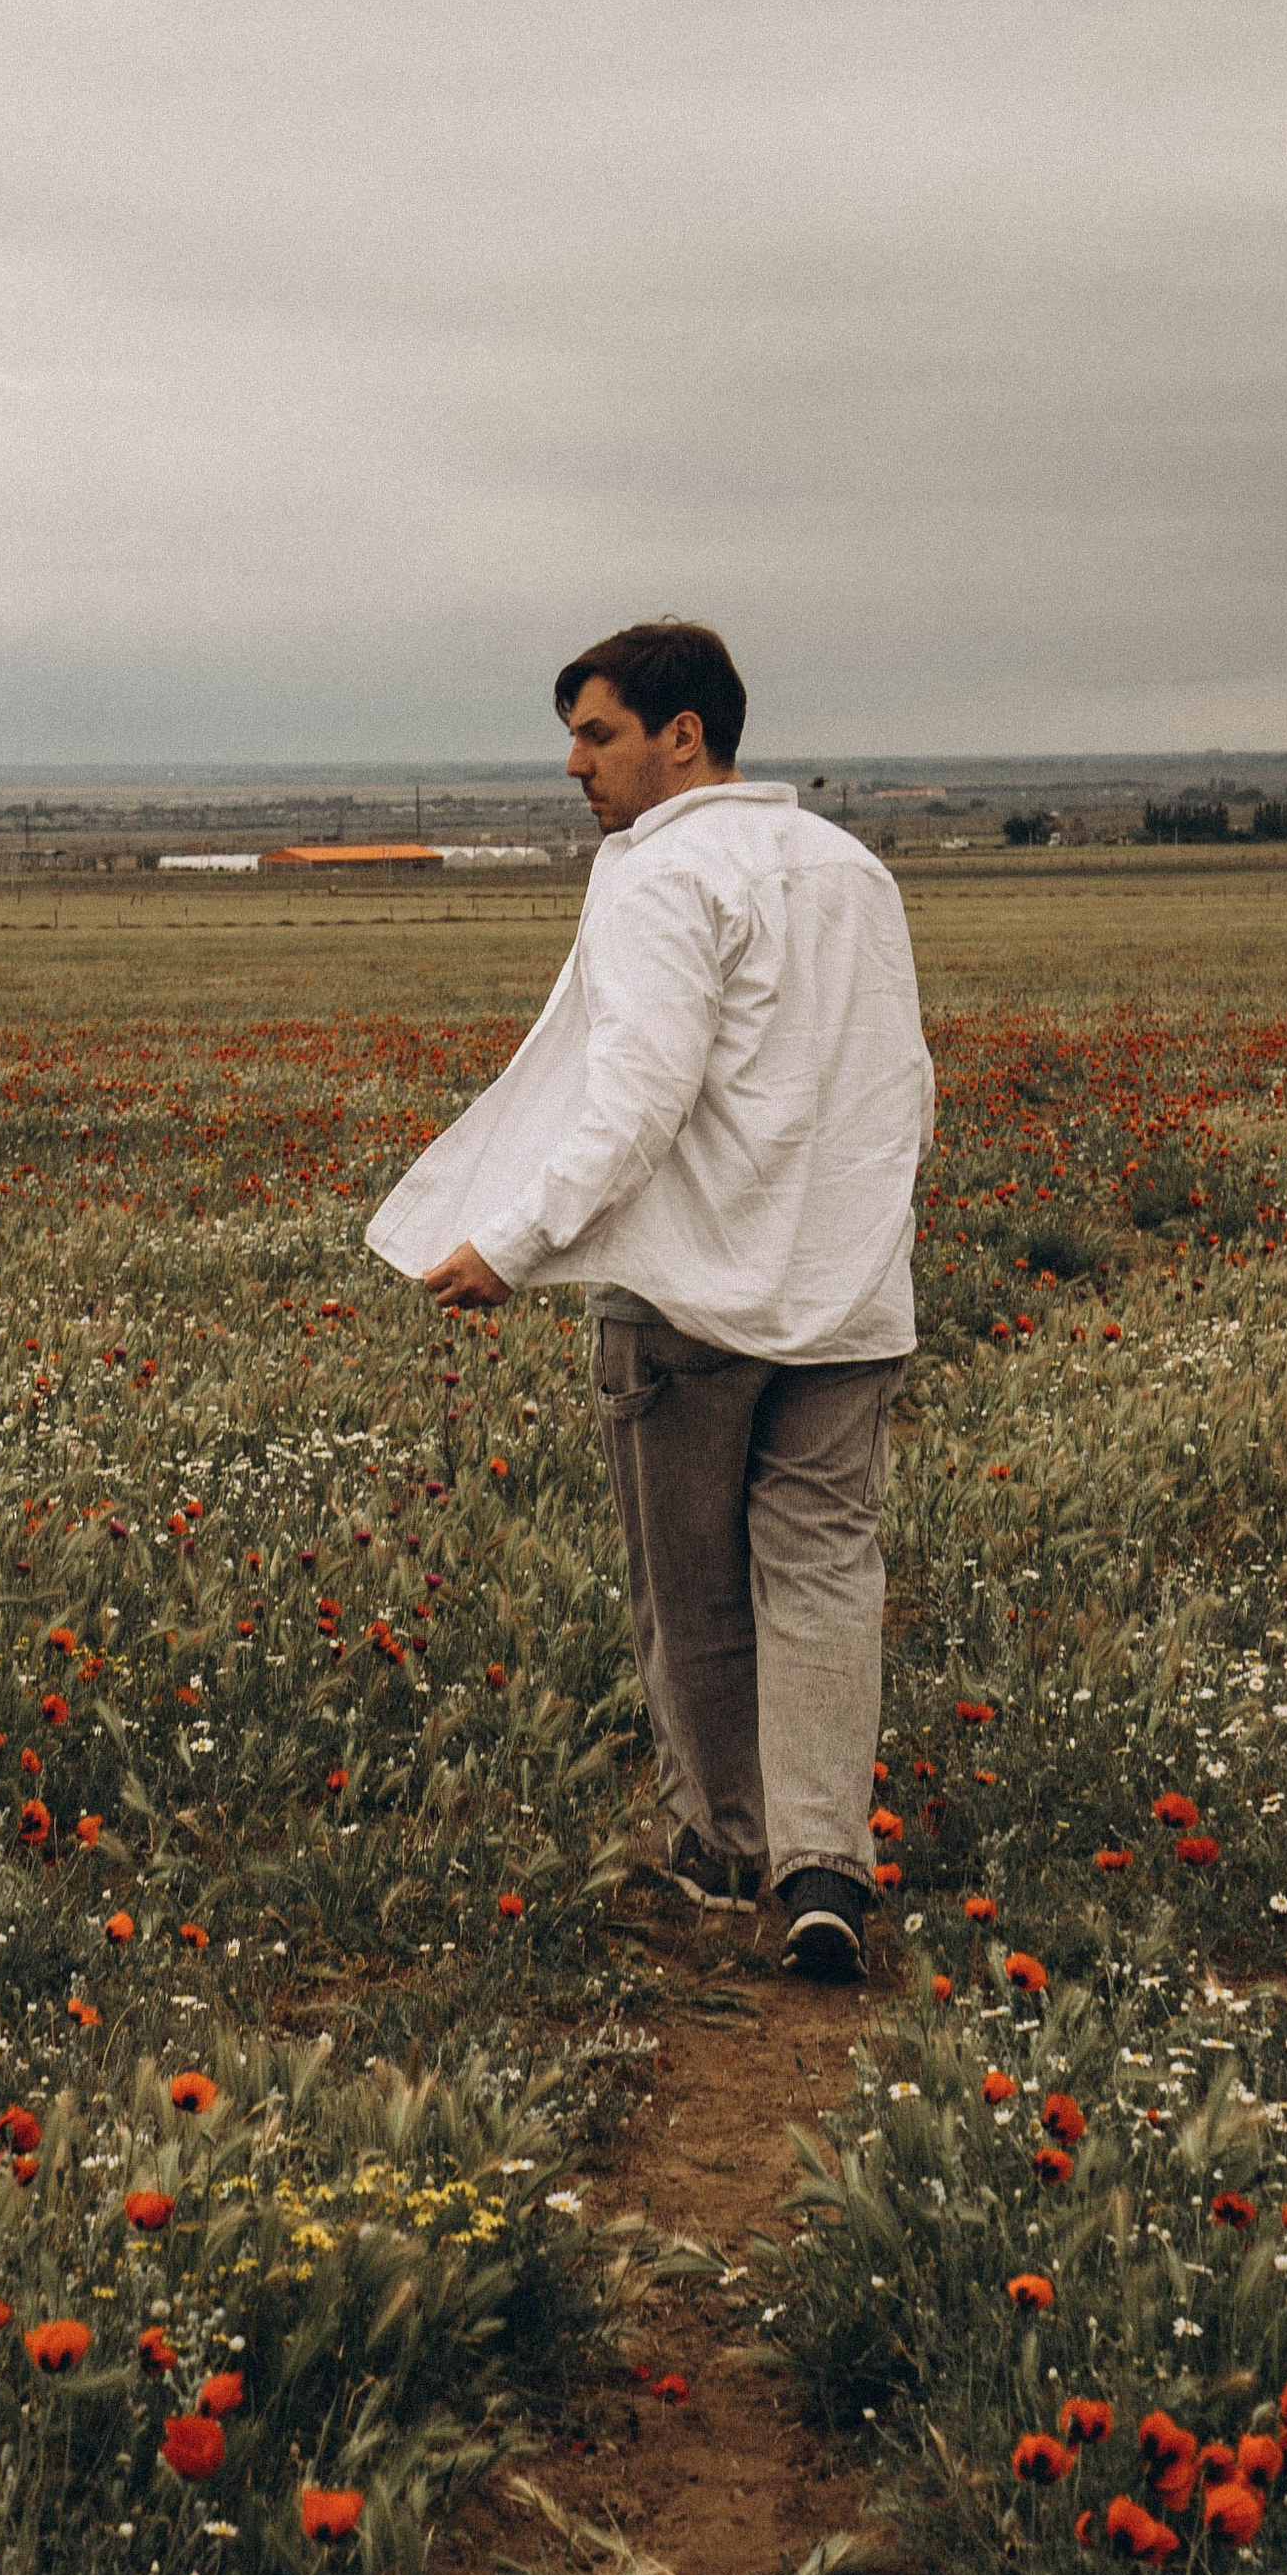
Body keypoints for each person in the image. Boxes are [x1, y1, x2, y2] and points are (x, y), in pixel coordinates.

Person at [365, 620, 933, 1980]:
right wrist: (863, 1245)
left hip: (686, 1295)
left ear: (686, 734)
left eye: (599, 733)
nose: (576, 765)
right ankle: (824, 1868)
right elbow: (900, 1085)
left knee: (691, 1592)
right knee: (823, 1579)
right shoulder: (852, 872)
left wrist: (510, 1241)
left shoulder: (655, 876)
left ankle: (728, 1850)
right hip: (849, 1296)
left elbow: (639, 1094)